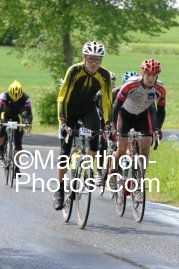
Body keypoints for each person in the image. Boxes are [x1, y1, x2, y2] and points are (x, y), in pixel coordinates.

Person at [54, 41, 112, 210]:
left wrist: (108, 124)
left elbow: (107, 102)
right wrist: (63, 123)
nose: (94, 63)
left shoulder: (104, 75)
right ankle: (59, 190)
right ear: (84, 58)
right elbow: (62, 98)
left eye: (98, 60)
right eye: (91, 59)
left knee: (95, 141)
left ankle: (84, 173)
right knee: (64, 152)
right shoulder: (74, 71)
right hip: (69, 110)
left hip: (88, 109)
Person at [111, 59, 166, 184]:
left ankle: (139, 181)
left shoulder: (160, 89)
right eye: (148, 75)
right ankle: (113, 170)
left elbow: (161, 111)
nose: (151, 78)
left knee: (145, 148)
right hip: (125, 114)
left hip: (142, 115)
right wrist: (113, 126)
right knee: (122, 147)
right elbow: (116, 106)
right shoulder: (130, 85)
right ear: (142, 73)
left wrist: (157, 128)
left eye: (154, 75)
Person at [94, 71, 140, 186]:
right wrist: (107, 127)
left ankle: (133, 172)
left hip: (125, 118)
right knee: (103, 142)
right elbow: (106, 112)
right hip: (108, 117)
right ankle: (99, 171)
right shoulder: (114, 93)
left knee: (135, 141)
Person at [0, 80, 33, 173]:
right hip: (5, 115)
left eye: (17, 99)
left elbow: (29, 113)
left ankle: (17, 167)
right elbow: (0, 108)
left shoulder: (26, 98)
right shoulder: (4, 95)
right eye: (13, 97)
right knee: (1, 130)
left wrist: (28, 123)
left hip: (17, 117)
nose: (15, 100)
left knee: (18, 143)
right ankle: (1, 151)